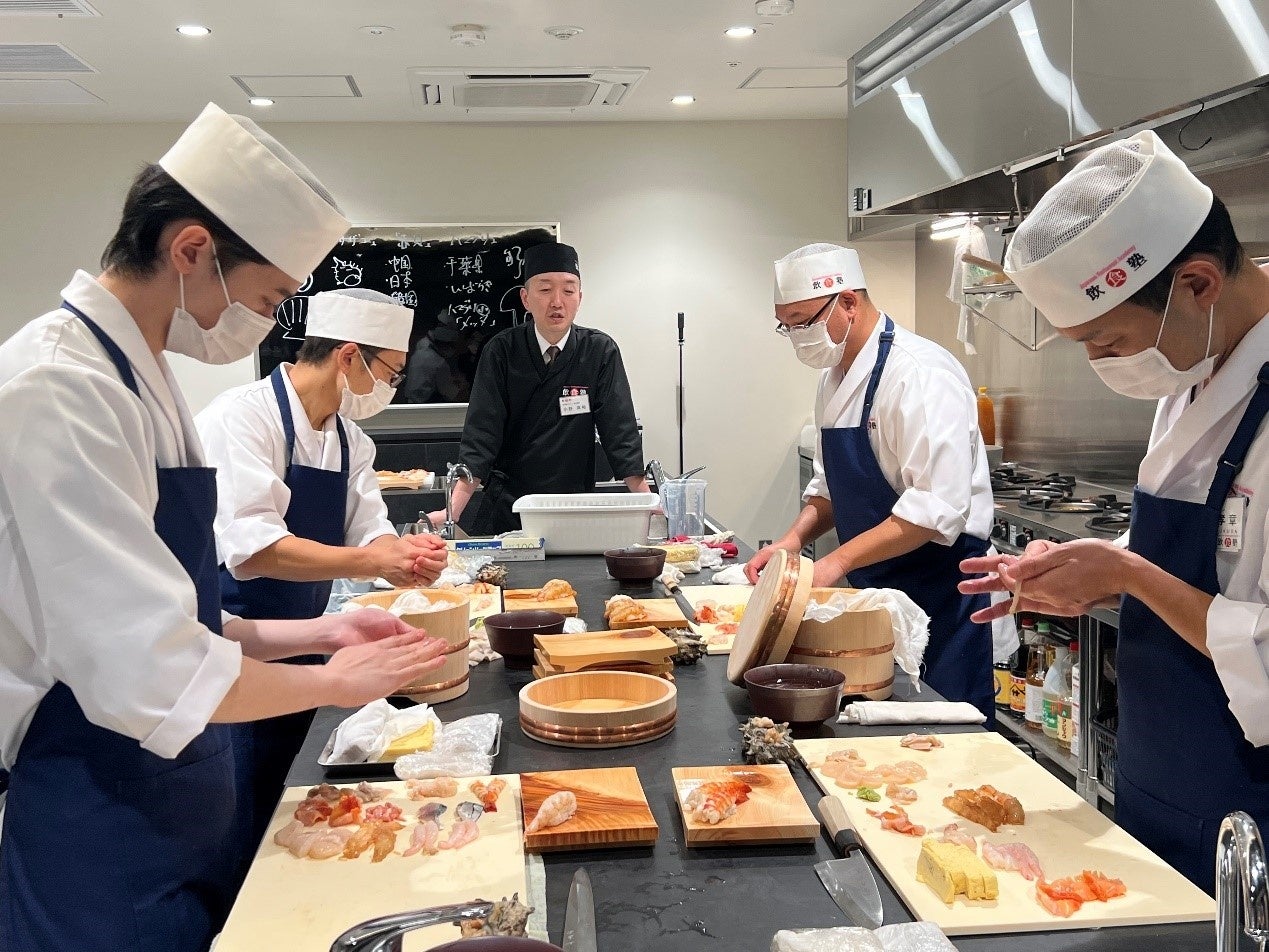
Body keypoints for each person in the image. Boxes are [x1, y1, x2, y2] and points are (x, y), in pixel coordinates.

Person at [0, 103, 449, 952]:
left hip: (175, 790)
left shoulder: (140, 375)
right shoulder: (58, 387)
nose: (268, 322)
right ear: (192, 249)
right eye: (268, 296)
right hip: (99, 814)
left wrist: (325, 627)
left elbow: (186, 614)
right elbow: (148, 669)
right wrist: (330, 679)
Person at [960, 130, 1269, 894]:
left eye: (1107, 340)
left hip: (1249, 813)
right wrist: (1089, 573)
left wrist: (1128, 573)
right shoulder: (1198, 366)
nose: (1103, 365)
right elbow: (1209, 545)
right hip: (1161, 775)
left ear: (1197, 283)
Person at [196, 287, 448, 852]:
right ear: (349, 356)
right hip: (236, 645)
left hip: (311, 642)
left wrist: (405, 560)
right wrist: (370, 559)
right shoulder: (242, 419)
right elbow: (255, 548)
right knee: (239, 818)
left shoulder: (347, 438)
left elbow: (370, 529)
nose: (392, 388)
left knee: (298, 809)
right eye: (392, 372)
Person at [745, 245, 1000, 720]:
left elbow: (932, 510)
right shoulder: (833, 378)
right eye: (787, 325)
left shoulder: (920, 374)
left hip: (940, 594)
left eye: (803, 321)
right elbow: (829, 489)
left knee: (945, 740)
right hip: (877, 595)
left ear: (847, 302)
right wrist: (793, 542)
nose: (797, 336)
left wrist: (835, 563)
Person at [441, 242, 648, 534]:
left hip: (575, 504)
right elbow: (482, 435)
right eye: (545, 289)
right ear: (525, 298)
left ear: (580, 297)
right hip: (512, 505)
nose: (557, 301)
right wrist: (453, 511)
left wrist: (648, 502)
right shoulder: (501, 350)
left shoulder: (599, 350)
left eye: (568, 290)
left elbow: (619, 431)